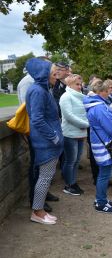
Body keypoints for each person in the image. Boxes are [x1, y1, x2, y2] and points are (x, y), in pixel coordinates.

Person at [25, 58, 63, 225]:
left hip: (48, 142)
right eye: (53, 73)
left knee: (46, 177)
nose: (56, 76)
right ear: (43, 74)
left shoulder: (42, 89)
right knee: (45, 177)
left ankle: (39, 210)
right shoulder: (38, 91)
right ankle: (37, 212)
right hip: (46, 142)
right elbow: (37, 120)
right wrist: (54, 136)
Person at [84, 79, 112, 214]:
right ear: (101, 92)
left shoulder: (94, 105)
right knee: (104, 174)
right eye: (108, 91)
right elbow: (111, 128)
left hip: (100, 143)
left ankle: (101, 199)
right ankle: (101, 203)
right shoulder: (99, 107)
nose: (109, 94)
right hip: (104, 144)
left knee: (104, 173)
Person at [59, 74, 89, 196]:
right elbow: (69, 116)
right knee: (70, 160)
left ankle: (73, 182)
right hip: (70, 133)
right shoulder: (66, 97)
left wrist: (85, 124)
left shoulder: (81, 97)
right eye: (77, 84)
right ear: (69, 84)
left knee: (76, 160)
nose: (79, 86)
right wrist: (86, 124)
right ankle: (68, 185)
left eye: (80, 84)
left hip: (80, 132)